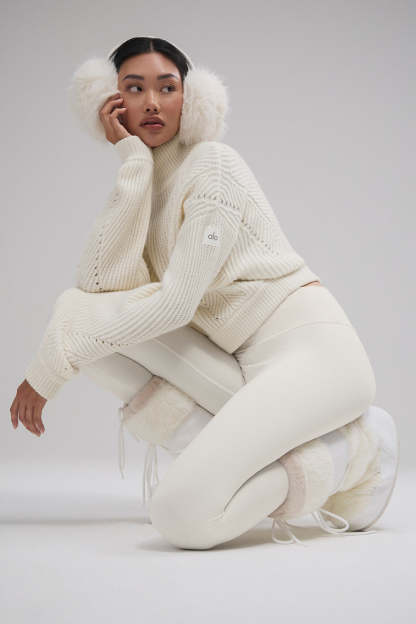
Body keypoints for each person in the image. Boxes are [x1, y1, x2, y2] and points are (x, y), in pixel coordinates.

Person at [10, 37, 398, 549]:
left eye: (167, 88)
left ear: (190, 99)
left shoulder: (213, 166)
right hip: (239, 363)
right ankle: (305, 454)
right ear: (109, 100)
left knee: (180, 517)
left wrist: (51, 365)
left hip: (312, 356)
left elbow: (175, 305)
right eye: (134, 88)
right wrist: (131, 161)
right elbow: (100, 290)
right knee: (86, 327)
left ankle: (360, 447)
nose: (152, 102)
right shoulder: (145, 178)